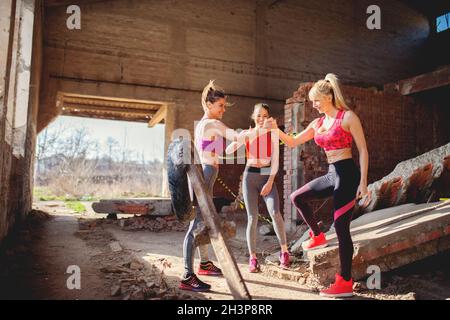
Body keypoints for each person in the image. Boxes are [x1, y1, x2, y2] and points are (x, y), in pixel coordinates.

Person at [269, 73, 370, 298]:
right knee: (297, 197)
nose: (313, 105)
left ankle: (345, 281)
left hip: (347, 174)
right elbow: (294, 141)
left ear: (327, 97)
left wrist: (363, 182)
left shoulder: (348, 117)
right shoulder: (318, 123)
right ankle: (318, 235)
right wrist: (276, 130)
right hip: (331, 173)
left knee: (341, 226)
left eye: (316, 100)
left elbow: (362, 150)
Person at [179, 80, 245, 292]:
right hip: (206, 175)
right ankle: (187, 276)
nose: (223, 110)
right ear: (209, 105)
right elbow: (236, 135)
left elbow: (221, 153)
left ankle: (205, 264)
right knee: (197, 224)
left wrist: (239, 142)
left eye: (224, 106)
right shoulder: (211, 124)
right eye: (221, 106)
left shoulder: (204, 126)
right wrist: (257, 131)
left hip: (208, 173)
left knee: (205, 220)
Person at [226, 103, 289, 273]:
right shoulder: (248, 133)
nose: (262, 119)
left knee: (275, 213)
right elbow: (229, 149)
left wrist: (270, 182)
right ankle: (253, 258)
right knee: (252, 218)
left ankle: (284, 252)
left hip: (267, 175)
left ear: (268, 118)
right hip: (250, 176)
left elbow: (275, 161)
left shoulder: (272, 134)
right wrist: (243, 136)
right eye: (258, 115)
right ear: (254, 117)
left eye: (265, 116)